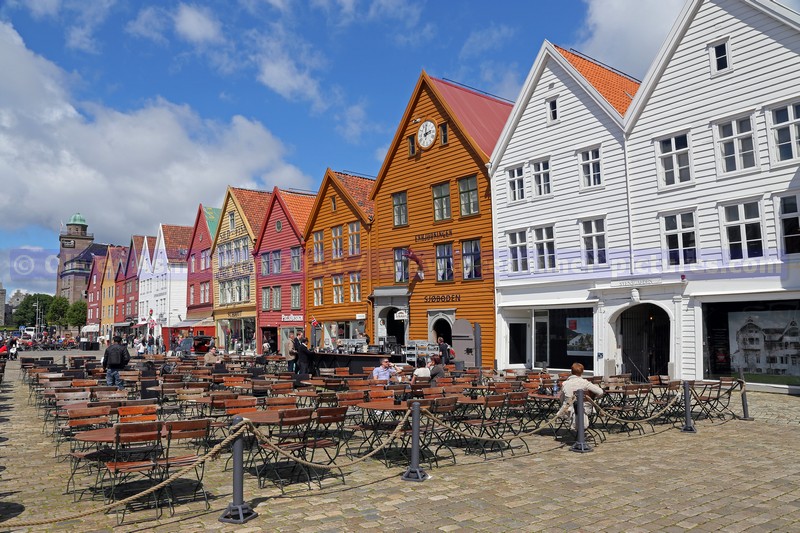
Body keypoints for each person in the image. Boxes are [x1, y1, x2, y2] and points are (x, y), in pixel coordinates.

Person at [561, 362, 604, 430]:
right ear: (582, 372)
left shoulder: (565, 384)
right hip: (585, 410)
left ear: (571, 371)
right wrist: (593, 398)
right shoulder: (585, 383)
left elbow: (562, 399)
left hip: (568, 411)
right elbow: (600, 392)